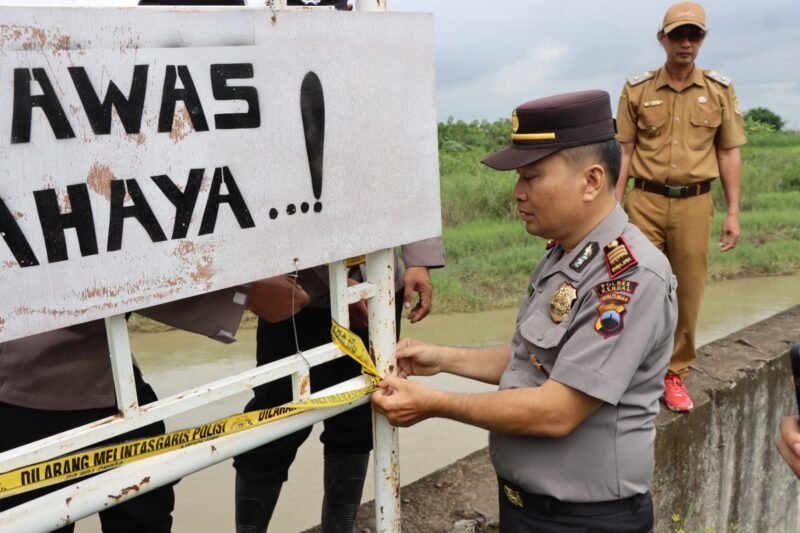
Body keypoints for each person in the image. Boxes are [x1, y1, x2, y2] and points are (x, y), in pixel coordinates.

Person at [371, 90, 677, 532]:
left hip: (583, 522)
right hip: (524, 510)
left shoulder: (631, 277)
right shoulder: (565, 254)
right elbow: (532, 359)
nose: (518, 193)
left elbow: (557, 410)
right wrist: (442, 359)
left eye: (531, 177)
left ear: (591, 181)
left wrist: (434, 404)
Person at [0, 276, 309, 533]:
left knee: (146, 508)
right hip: (28, 382)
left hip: (114, 375)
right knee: (36, 519)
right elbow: (110, 265)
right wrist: (244, 294)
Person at [233, 239, 444, 533]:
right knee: (274, 422)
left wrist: (418, 258)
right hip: (298, 292)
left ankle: (340, 527)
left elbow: (409, 192)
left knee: (359, 415)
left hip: (376, 283)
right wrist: (335, 285)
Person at [614, 1, 746, 412]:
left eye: (694, 35)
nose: (686, 43)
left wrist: (733, 212)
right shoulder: (637, 89)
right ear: (662, 39)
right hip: (645, 201)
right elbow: (624, 153)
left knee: (686, 292)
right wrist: (612, 212)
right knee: (634, 288)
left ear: (703, 40)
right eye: (678, 35)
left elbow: (728, 153)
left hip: (694, 204)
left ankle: (675, 373)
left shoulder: (719, 91)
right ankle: (631, 371)